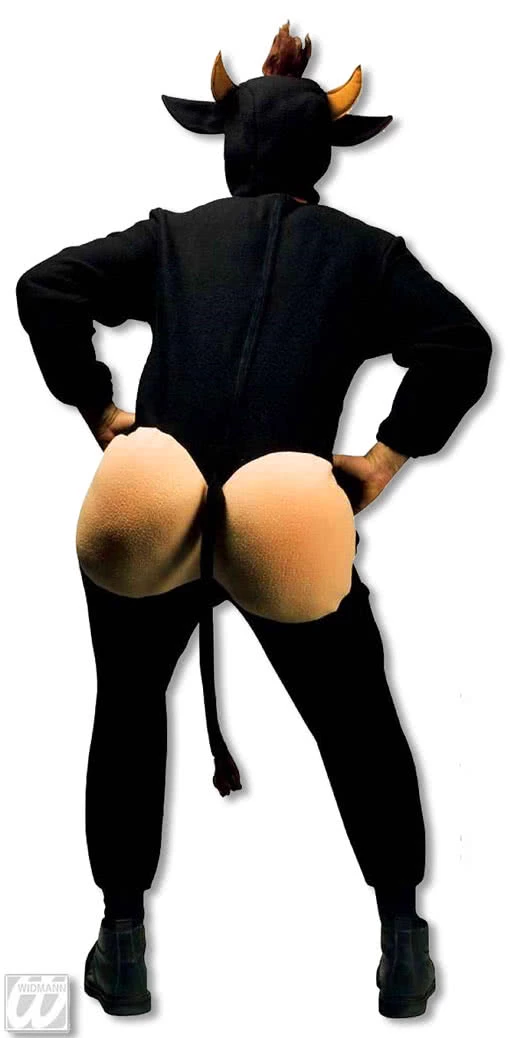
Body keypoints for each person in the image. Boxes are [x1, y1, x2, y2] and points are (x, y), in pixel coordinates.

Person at [15, 21, 492, 1019]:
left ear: (227, 143)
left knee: (128, 708)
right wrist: (382, 460)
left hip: (156, 493)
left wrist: (102, 412)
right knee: (357, 722)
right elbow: (460, 345)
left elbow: (45, 286)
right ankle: (403, 945)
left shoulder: (173, 239)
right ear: (325, 151)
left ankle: (121, 945)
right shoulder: (363, 255)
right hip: (288, 506)